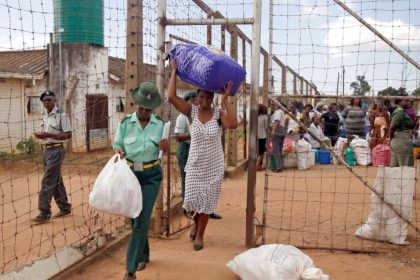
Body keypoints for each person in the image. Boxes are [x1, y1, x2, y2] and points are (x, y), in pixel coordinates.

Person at [168, 60, 237, 251]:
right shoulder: (192, 111)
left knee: (206, 202)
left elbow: (233, 125)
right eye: (203, 98)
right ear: (197, 99)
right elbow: (171, 97)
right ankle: (195, 223)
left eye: (209, 98)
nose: (206, 100)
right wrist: (174, 71)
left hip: (213, 165)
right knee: (191, 200)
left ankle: (200, 235)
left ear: (213, 99)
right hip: (195, 165)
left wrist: (226, 100)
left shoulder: (218, 114)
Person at [113, 82, 168, 280]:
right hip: (130, 175)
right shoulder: (126, 124)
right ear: (136, 104)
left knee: (142, 219)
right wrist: (118, 151)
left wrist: (165, 147)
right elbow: (117, 144)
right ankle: (144, 254)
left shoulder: (160, 125)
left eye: (148, 108)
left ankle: (130, 270)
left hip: (151, 175)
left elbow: (163, 151)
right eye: (141, 107)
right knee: (134, 218)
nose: (144, 111)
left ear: (153, 108)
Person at [174, 91, 222, 220]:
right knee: (189, 184)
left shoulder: (215, 114)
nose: (197, 101)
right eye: (195, 98)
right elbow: (177, 138)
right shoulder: (184, 116)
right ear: (188, 100)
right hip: (187, 151)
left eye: (207, 97)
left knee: (207, 191)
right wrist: (198, 133)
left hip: (208, 157)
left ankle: (205, 211)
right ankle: (189, 208)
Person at [32, 91, 72, 224]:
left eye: (49, 100)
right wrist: (41, 136)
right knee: (56, 180)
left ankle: (44, 212)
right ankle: (65, 207)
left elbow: (68, 135)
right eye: (44, 101)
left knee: (47, 181)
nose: (46, 102)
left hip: (56, 150)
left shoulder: (61, 115)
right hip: (46, 151)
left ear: (55, 100)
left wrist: (48, 135)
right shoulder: (43, 116)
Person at [387, 98, 414, 167]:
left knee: (394, 166)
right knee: (405, 166)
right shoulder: (400, 113)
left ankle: (393, 178)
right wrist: (390, 137)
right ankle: (406, 178)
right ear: (399, 102)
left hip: (399, 141)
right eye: (406, 101)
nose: (408, 102)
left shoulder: (403, 112)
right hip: (402, 142)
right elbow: (392, 127)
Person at [270, 102, 286, 172]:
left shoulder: (278, 112)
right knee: (279, 149)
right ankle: (280, 165)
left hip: (278, 131)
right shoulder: (282, 112)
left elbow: (277, 121)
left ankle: (279, 166)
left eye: (273, 106)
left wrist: (273, 130)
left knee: (276, 150)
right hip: (282, 131)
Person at [257, 104, 268, 171]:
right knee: (262, 151)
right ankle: (257, 165)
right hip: (262, 136)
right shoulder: (265, 117)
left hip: (255, 136)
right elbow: (266, 127)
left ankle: (259, 165)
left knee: (258, 151)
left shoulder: (255, 117)